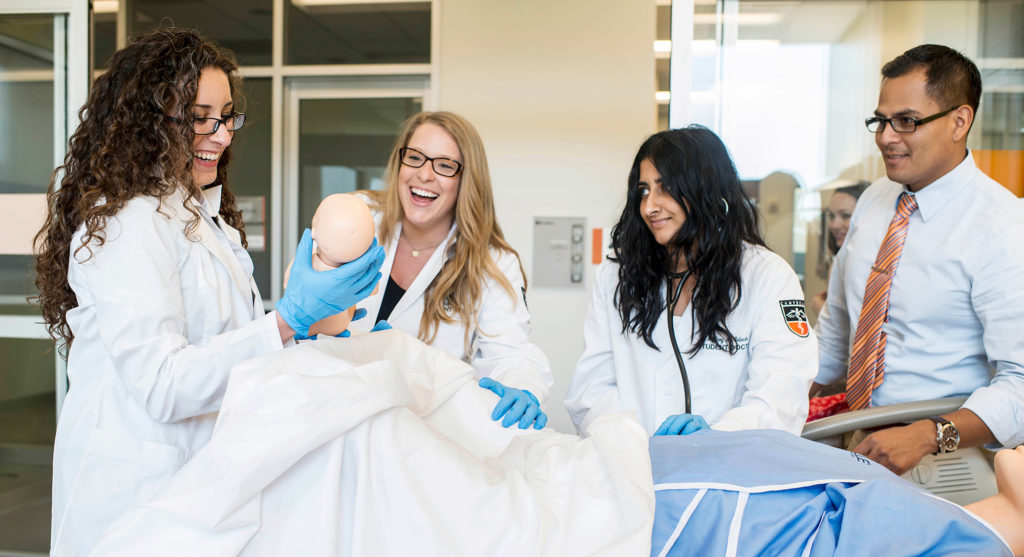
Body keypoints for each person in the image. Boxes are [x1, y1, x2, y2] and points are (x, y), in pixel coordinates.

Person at [89, 332, 1021, 556]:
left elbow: (519, 371)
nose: (651, 206)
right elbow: (593, 380)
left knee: (785, 469)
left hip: (657, 459)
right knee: (787, 489)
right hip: (616, 473)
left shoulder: (764, 274)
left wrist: (490, 403)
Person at [32, 28, 384, 554]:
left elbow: (228, 349)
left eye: (225, 117)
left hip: (197, 488)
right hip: (136, 494)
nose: (220, 134)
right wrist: (287, 319)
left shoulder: (202, 217)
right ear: (149, 121)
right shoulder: (130, 221)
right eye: (200, 118)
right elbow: (165, 383)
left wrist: (310, 334)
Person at [813, 44, 1024, 474]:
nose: (886, 137)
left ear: (959, 121)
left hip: (948, 453)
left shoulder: (1002, 227)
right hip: (861, 437)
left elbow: (1020, 384)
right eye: (881, 121)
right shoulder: (874, 201)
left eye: (906, 122)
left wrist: (929, 433)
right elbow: (835, 329)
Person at [565, 126, 818, 438]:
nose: (649, 206)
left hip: (725, 471)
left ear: (707, 191)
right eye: (644, 191)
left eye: (666, 188)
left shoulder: (767, 277)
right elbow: (592, 389)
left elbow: (780, 396)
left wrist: (717, 437)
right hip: (634, 468)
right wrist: (630, 443)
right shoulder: (617, 274)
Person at [350, 111, 553, 430]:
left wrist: (522, 387)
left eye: (444, 165)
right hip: (341, 417)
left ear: (465, 180)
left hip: (431, 435)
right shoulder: (359, 218)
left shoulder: (491, 262)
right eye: (415, 158)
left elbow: (510, 352)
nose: (425, 175)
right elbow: (310, 308)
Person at [810, 182, 868, 315]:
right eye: (831, 216)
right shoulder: (839, 261)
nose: (835, 225)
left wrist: (820, 308)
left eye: (845, 215)